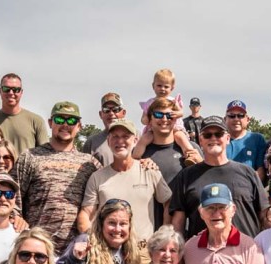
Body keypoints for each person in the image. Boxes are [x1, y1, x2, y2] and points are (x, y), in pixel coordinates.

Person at [15, 101, 101, 253]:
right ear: (50, 123)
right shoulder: (30, 157)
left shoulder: (89, 163)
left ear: (79, 126)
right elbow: (13, 196)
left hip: (76, 250)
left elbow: (109, 185)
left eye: (71, 120)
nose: (65, 125)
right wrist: (16, 219)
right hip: (38, 249)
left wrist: (142, 162)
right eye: (60, 119)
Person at [167, 116, 268, 239]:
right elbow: (178, 221)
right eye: (207, 135)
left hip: (245, 249)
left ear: (227, 138)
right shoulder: (186, 176)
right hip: (201, 249)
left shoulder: (248, 173)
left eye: (218, 134)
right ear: (200, 140)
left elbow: (264, 215)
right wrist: (178, 248)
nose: (213, 138)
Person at [79, 118, 171, 242]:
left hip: (143, 249)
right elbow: (86, 213)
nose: (120, 141)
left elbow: (168, 202)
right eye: (115, 136)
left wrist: (164, 235)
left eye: (125, 136)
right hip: (107, 249)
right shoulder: (97, 177)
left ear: (135, 140)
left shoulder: (149, 170)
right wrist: (90, 240)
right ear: (108, 141)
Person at [132, 97, 202, 226]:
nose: (164, 119)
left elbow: (205, 183)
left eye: (170, 115)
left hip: (182, 228)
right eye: (158, 115)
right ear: (150, 119)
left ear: (176, 119)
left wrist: (201, 163)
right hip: (146, 226)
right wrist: (138, 165)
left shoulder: (192, 149)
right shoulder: (139, 152)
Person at [134, 68, 198, 162]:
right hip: (153, 130)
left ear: (172, 88)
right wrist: (148, 118)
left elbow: (181, 113)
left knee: (181, 137)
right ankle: (135, 158)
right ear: (153, 86)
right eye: (159, 85)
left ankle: (190, 155)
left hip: (175, 128)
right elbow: (143, 120)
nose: (162, 89)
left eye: (166, 86)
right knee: (143, 140)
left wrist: (176, 114)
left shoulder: (173, 101)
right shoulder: (150, 102)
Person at [0, 73, 50, 157]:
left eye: (16, 89)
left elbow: (45, 156)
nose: (11, 93)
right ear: (0, 91)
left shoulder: (36, 121)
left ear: (21, 92)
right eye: (6, 89)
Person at [224, 100, 268, 178]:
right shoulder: (219, 140)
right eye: (232, 116)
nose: (236, 119)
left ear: (247, 119)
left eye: (240, 115)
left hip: (250, 184)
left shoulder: (257, 139)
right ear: (225, 119)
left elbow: (261, 170)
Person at [81, 92, 127, 166]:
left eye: (115, 109)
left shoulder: (137, 136)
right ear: (100, 114)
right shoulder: (91, 142)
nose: (111, 113)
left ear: (123, 113)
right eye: (106, 110)